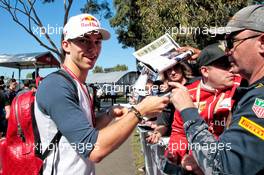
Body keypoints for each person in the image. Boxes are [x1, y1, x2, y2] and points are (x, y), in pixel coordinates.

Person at [34, 14, 169, 175]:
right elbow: (93, 149)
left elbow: (85, 129)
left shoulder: (79, 85)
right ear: (66, 45)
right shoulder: (56, 85)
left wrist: (109, 114)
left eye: (97, 41)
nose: (93, 48)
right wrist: (139, 111)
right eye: (83, 41)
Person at [170, 5, 264, 174]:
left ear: (262, 43)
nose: (227, 51)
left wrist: (188, 110)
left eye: (231, 42)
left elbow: (222, 167)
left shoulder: (260, 100)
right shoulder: (250, 87)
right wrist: (203, 55)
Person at [166, 43, 241, 174]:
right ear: (205, 71)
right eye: (224, 65)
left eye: (231, 63)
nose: (231, 69)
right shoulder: (187, 93)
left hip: (227, 165)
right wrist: (178, 155)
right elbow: (179, 132)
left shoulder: (241, 85)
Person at [146, 62, 194, 144]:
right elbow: (163, 123)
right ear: (165, 73)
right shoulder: (166, 95)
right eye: (169, 70)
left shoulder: (198, 82)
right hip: (182, 140)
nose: (173, 72)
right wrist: (156, 134)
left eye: (176, 68)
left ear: (182, 68)